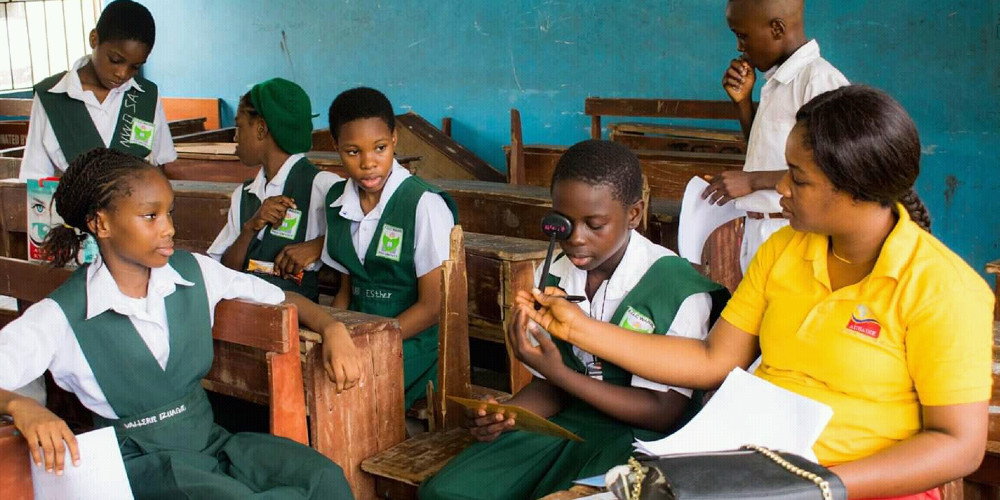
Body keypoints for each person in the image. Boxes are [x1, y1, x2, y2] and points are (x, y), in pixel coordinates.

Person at [524, 86, 993, 500]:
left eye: (798, 177)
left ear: (856, 189)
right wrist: (581, 330)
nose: (781, 187)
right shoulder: (786, 249)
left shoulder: (942, 288)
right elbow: (711, 359)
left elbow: (958, 444)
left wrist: (823, 485)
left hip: (857, 484)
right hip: (752, 465)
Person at [0, 148, 359, 498]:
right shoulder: (63, 315)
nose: (169, 228)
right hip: (142, 469)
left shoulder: (192, 272)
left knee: (321, 477)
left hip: (211, 446)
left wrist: (332, 328)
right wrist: (22, 406)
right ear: (101, 223)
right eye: (150, 216)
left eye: (169, 213)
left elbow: (281, 296)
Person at [420, 140, 728, 500]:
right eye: (564, 223)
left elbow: (663, 413)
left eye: (595, 224)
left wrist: (559, 374)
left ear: (634, 214)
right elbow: (551, 388)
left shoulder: (678, 290)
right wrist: (507, 415)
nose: (577, 239)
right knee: (446, 492)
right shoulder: (553, 273)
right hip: (572, 422)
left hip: (642, 440)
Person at [321, 87, 457, 411]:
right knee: (314, 371)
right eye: (353, 152)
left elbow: (433, 306)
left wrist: (373, 341)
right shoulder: (337, 202)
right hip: (358, 337)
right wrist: (334, 332)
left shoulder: (423, 204)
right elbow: (346, 290)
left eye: (379, 148)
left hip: (414, 343)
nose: (369, 163)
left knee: (344, 391)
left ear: (395, 139)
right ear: (335, 147)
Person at [702, 0, 847, 272]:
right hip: (763, 228)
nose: (739, 47)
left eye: (742, 36)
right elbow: (764, 153)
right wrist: (743, 104)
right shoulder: (777, 82)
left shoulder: (819, 81)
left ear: (777, 29)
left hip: (794, 231)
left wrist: (752, 181)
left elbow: (834, 171)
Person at [208, 78, 341, 302]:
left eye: (239, 126)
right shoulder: (245, 195)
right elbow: (225, 271)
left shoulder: (321, 185)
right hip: (245, 316)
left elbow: (363, 237)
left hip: (297, 321)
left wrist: (317, 246)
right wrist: (251, 227)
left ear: (261, 129)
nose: (235, 136)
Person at [20, 0, 176, 180]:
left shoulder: (146, 96)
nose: (122, 73)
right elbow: (35, 175)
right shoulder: (51, 95)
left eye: (135, 67)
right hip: (71, 206)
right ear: (94, 39)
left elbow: (160, 166)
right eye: (115, 60)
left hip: (134, 205)